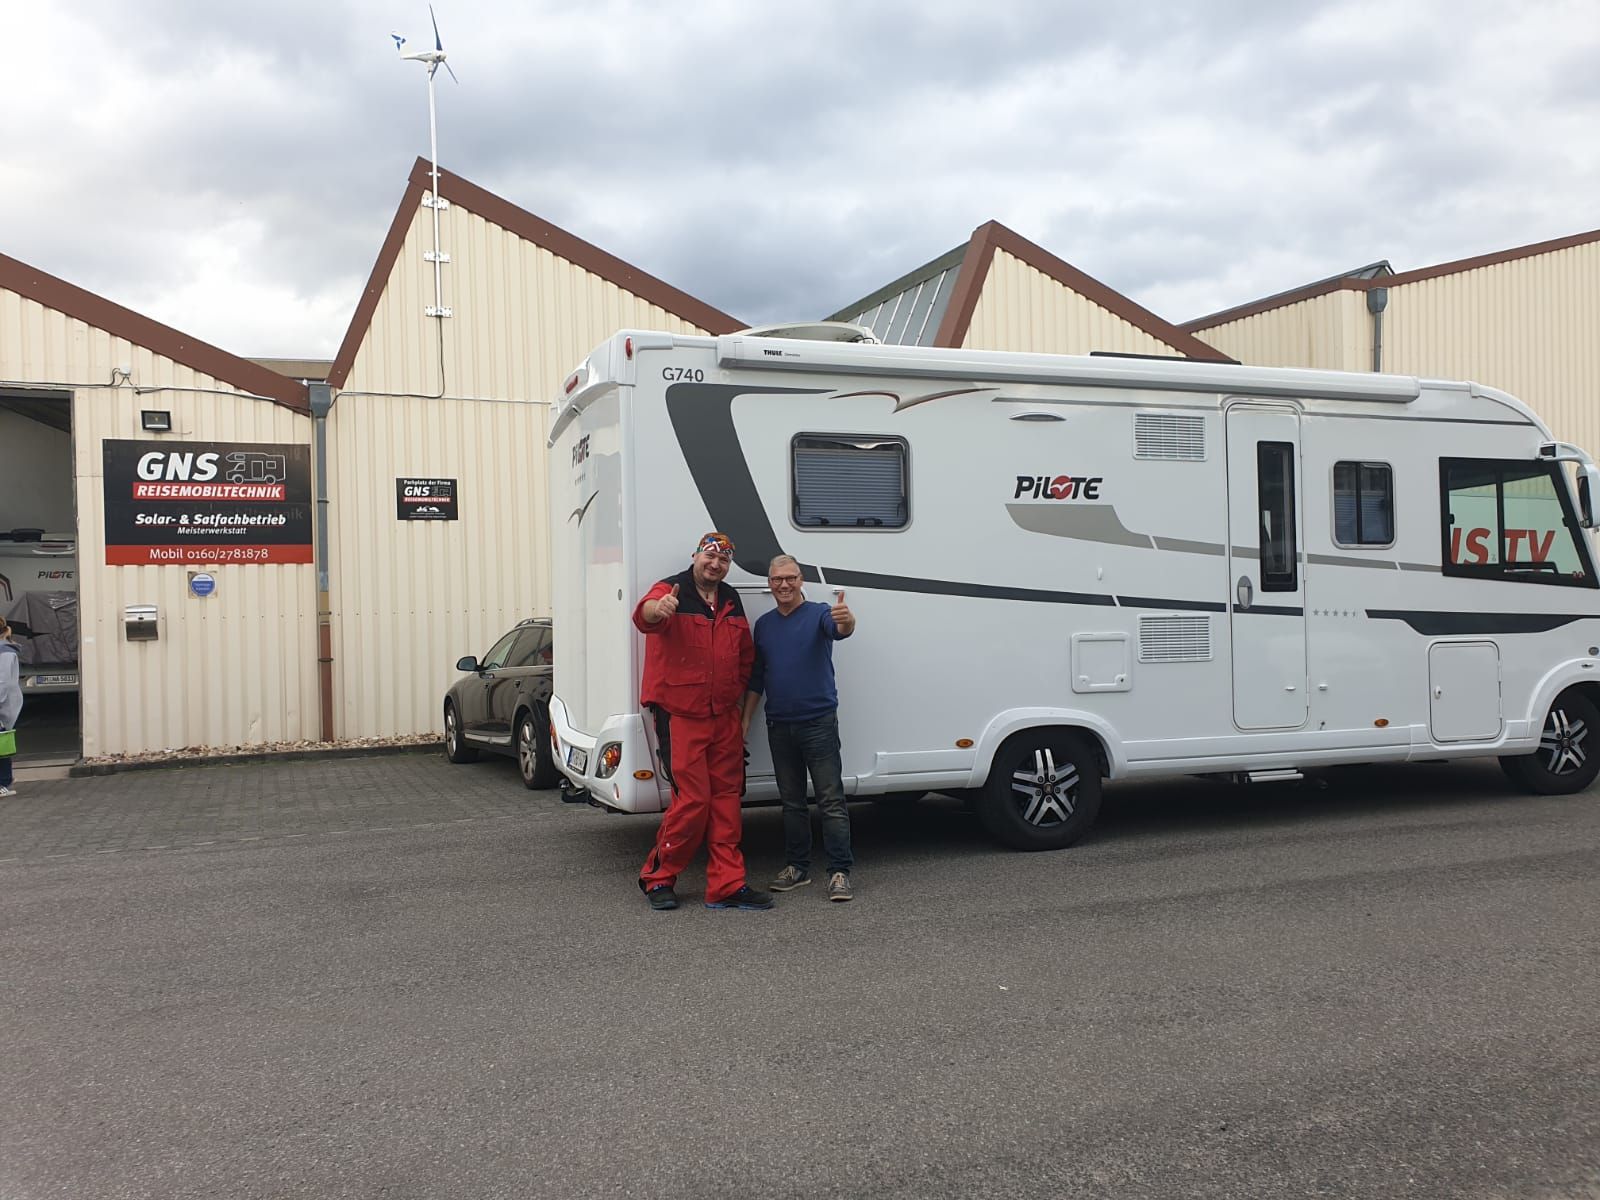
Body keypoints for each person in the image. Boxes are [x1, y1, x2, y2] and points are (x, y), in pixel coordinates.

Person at [633, 532, 773, 911]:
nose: (715, 564)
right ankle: (658, 878)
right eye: (709, 556)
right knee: (692, 801)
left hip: (724, 717)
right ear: (696, 555)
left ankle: (727, 885)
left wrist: (742, 717)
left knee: (727, 801)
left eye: (723, 560)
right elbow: (645, 615)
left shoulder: (731, 598)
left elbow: (744, 658)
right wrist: (657, 610)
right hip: (682, 716)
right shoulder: (671, 588)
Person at [743, 555, 857, 902]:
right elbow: (757, 677)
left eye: (790, 578)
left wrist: (847, 620)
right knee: (792, 803)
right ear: (770, 582)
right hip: (780, 725)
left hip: (818, 723)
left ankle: (839, 872)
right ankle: (797, 867)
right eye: (777, 579)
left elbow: (840, 630)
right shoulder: (764, 625)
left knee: (830, 801)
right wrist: (744, 718)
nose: (783, 585)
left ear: (801, 579)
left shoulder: (821, 613)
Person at [0, 617, 21, 797]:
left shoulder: (5, 652)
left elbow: (3, 682)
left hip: (2, 705)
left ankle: (3, 782)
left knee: (2, 743)